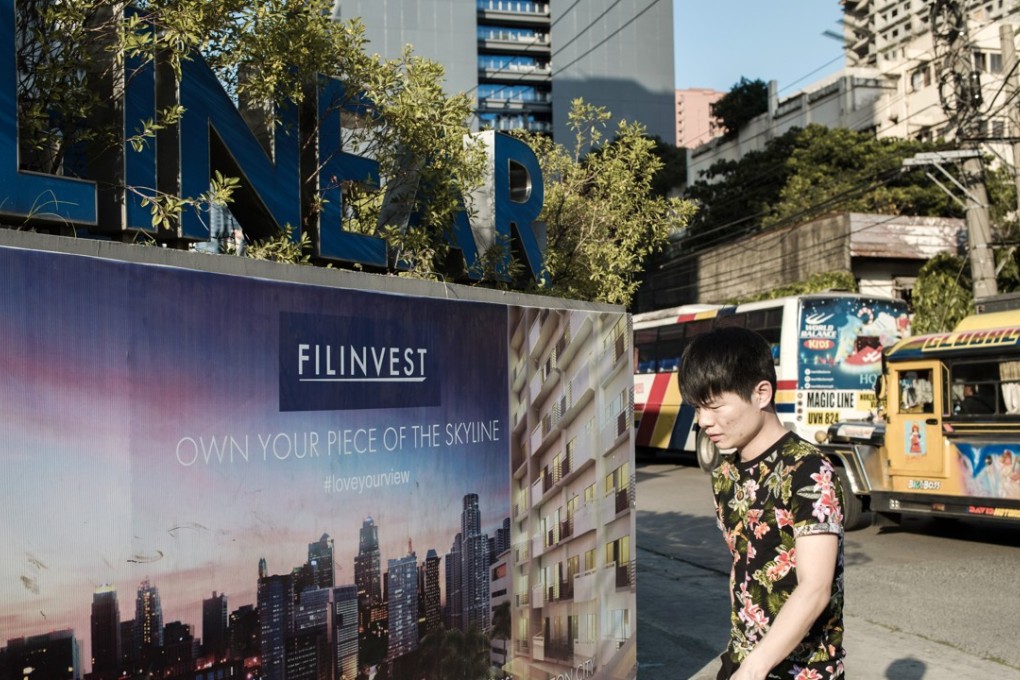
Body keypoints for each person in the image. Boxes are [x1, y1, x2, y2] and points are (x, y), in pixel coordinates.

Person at [678, 326, 845, 680]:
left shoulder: (809, 470)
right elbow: (742, 567)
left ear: (761, 393)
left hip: (803, 669)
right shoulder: (724, 474)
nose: (704, 421)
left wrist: (755, 667)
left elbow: (815, 588)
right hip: (742, 659)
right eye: (697, 408)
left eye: (715, 406)